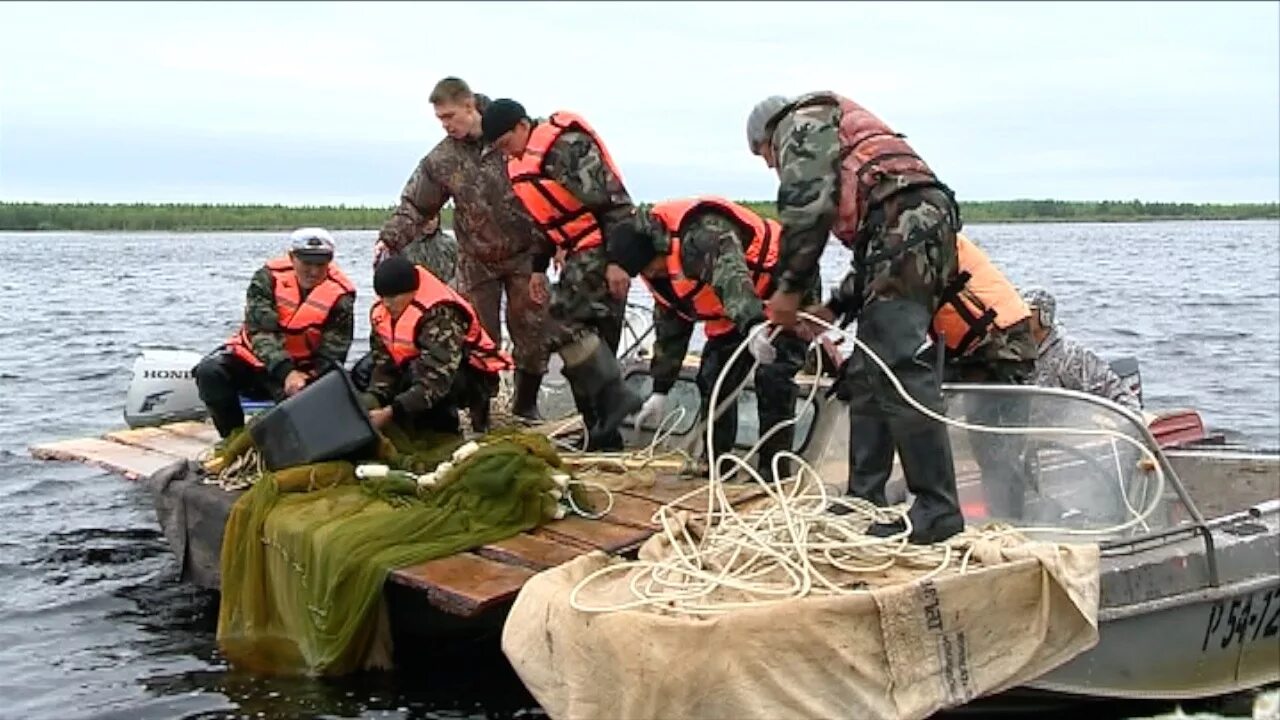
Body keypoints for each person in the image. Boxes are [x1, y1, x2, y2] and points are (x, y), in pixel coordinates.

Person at [747, 92, 1036, 543]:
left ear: (769, 135)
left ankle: (937, 509)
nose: (770, 165)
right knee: (864, 372)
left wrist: (787, 290)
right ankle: (865, 495)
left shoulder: (798, 125)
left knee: (894, 365)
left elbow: (808, 209)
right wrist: (831, 309)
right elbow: (871, 266)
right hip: (911, 225)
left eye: (765, 156)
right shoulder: (837, 143)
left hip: (909, 222)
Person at [376, 77, 549, 423]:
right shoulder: (443, 159)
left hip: (526, 255)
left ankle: (526, 406)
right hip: (477, 260)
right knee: (477, 339)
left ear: (470, 106)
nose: (446, 125)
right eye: (440, 120)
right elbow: (415, 205)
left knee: (532, 332)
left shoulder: (514, 131)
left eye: (450, 116)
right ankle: (481, 414)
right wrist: (389, 238)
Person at [481, 98, 642, 450]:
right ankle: (600, 434)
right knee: (575, 345)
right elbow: (543, 220)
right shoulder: (519, 164)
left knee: (559, 323)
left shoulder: (566, 148)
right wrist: (538, 269)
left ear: (522, 126)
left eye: (506, 143)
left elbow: (616, 204)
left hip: (600, 247)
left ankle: (616, 398)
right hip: (573, 254)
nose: (505, 153)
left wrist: (620, 261)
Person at [608, 196, 808, 476]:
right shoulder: (657, 269)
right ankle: (717, 465)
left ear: (656, 250)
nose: (651, 274)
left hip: (784, 285)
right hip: (729, 312)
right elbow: (671, 324)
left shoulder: (703, 234)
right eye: (644, 272)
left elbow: (732, 276)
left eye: (650, 267)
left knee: (773, 377)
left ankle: (773, 471)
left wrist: (752, 324)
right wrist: (661, 388)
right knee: (713, 377)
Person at [194, 228, 355, 438]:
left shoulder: (341, 295)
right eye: (307, 263)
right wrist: (285, 371)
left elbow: (334, 351)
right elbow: (261, 332)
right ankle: (233, 438)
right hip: (255, 362)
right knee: (209, 372)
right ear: (291, 257)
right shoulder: (267, 278)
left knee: (308, 411)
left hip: (303, 372)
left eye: (320, 264)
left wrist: (307, 378)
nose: (314, 271)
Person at [364, 256, 513, 435]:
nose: (387, 304)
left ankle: (448, 424)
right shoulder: (382, 313)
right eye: (383, 297)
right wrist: (373, 398)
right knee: (363, 370)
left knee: (420, 375)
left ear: (412, 292)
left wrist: (391, 412)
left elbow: (437, 379)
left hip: (468, 376)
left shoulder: (441, 314)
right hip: (418, 366)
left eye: (394, 298)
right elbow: (384, 363)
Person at [1022, 287, 1142, 412]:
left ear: (1045, 316)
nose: (1022, 316)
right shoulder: (1015, 350)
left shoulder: (1071, 354)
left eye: (1029, 311)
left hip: (1062, 426)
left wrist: (1126, 422)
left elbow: (1115, 391)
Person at [373, 213, 459, 287]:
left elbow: (460, 273)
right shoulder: (403, 243)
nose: (429, 223)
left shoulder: (450, 244)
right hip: (412, 295)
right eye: (425, 218)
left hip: (443, 295)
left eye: (433, 218)